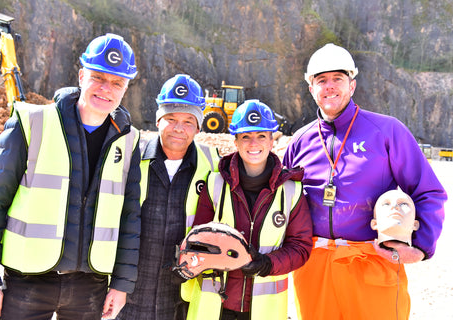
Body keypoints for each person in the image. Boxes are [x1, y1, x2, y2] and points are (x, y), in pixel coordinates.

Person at [0, 33, 141, 320]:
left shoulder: (129, 141)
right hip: (27, 282)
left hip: (90, 287)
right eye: (98, 77)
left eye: (117, 82)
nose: (106, 89)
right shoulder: (30, 122)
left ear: (126, 87)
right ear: (80, 75)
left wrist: (122, 285)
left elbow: (129, 219)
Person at [282, 43, 447, 320]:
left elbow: (428, 191)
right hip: (314, 267)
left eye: (338, 79)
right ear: (311, 89)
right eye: (321, 80)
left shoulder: (386, 131)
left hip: (372, 260)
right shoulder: (300, 140)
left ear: (353, 85)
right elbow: (281, 200)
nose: (330, 86)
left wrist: (419, 246)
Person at [187, 99, 313, 320]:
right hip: (216, 307)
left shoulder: (291, 191)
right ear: (235, 141)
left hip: (264, 311)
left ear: (272, 141)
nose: (253, 143)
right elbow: (198, 239)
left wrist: (266, 264)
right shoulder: (215, 184)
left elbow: (300, 247)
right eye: (246, 136)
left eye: (261, 136)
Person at [116, 74, 220, 320]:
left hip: (181, 293)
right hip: (129, 290)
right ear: (158, 120)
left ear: (198, 125)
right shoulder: (130, 157)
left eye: (188, 121)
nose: (178, 128)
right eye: (171, 118)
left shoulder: (213, 165)